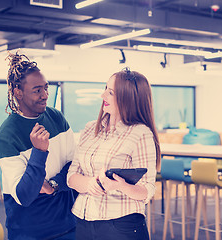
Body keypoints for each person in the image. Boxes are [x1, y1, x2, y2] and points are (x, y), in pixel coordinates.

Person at [67, 67, 160, 240]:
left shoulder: (140, 133)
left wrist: (119, 185)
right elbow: (71, 176)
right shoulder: (89, 129)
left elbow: (147, 191)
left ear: (127, 99)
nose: (103, 96)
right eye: (105, 89)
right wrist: (90, 183)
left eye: (110, 92)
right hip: (83, 221)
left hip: (121, 226)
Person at [0, 52, 76, 239]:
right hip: (30, 232)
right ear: (18, 92)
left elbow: (76, 165)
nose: (45, 95)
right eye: (37, 90)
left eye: (46, 88)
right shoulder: (7, 136)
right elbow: (25, 195)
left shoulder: (56, 117)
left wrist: (53, 185)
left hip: (69, 225)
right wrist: (39, 152)